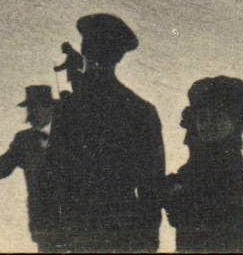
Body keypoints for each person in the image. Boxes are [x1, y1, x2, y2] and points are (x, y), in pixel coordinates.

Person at [44, 13, 164, 253]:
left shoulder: (69, 108)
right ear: (118, 57)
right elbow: (152, 193)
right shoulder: (141, 110)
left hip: (77, 235)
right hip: (117, 237)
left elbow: (51, 179)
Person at [159, 76, 243, 253]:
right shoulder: (205, 157)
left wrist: (172, 195)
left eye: (217, 117)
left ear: (235, 124)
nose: (208, 124)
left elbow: (196, 217)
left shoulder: (226, 163)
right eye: (202, 117)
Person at [0, 85, 58, 252]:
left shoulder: (71, 133)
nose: (31, 113)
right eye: (29, 108)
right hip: (43, 220)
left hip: (75, 218)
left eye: (36, 107)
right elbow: (2, 167)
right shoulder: (23, 140)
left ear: (51, 108)